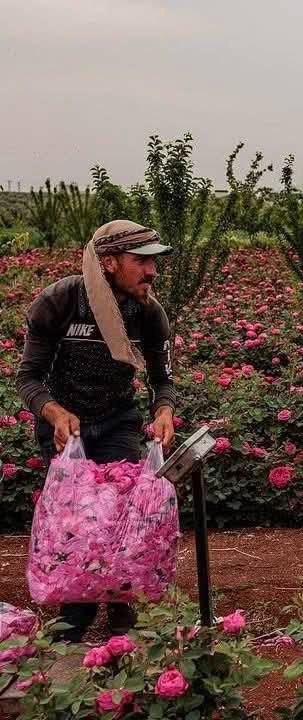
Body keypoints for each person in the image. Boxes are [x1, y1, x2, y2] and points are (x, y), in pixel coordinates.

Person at [15, 219, 177, 642]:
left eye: (153, 262)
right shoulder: (60, 301)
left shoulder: (147, 311)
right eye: (141, 261)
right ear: (108, 262)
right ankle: (76, 613)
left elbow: (163, 380)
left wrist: (163, 411)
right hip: (64, 428)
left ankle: (121, 611)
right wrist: (53, 412)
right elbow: (28, 378)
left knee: (122, 515)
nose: (151, 272)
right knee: (78, 522)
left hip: (118, 420)